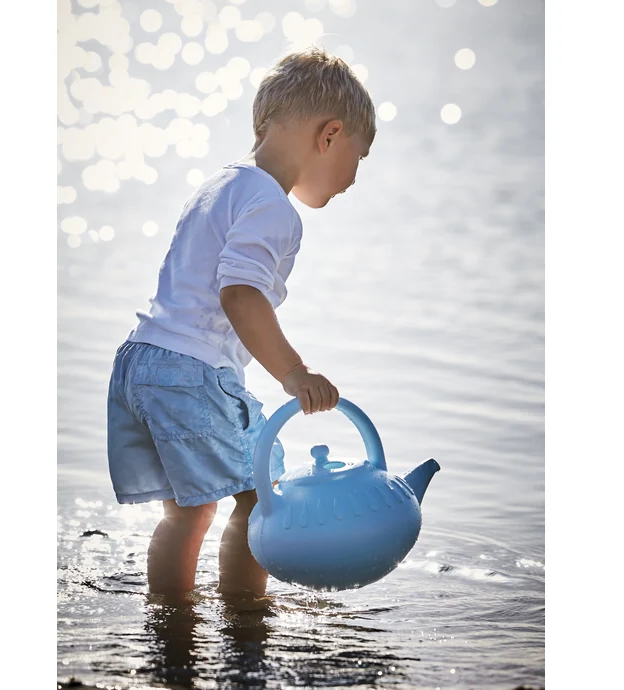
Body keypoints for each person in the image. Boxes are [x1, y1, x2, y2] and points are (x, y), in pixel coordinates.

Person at [107, 46, 376, 600]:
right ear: (329, 135)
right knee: (258, 498)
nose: (352, 178)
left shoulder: (221, 185)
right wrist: (294, 374)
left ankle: (171, 629)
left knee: (186, 513)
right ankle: (246, 621)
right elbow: (241, 293)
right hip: (188, 371)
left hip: (142, 360)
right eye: (359, 156)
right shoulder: (274, 207)